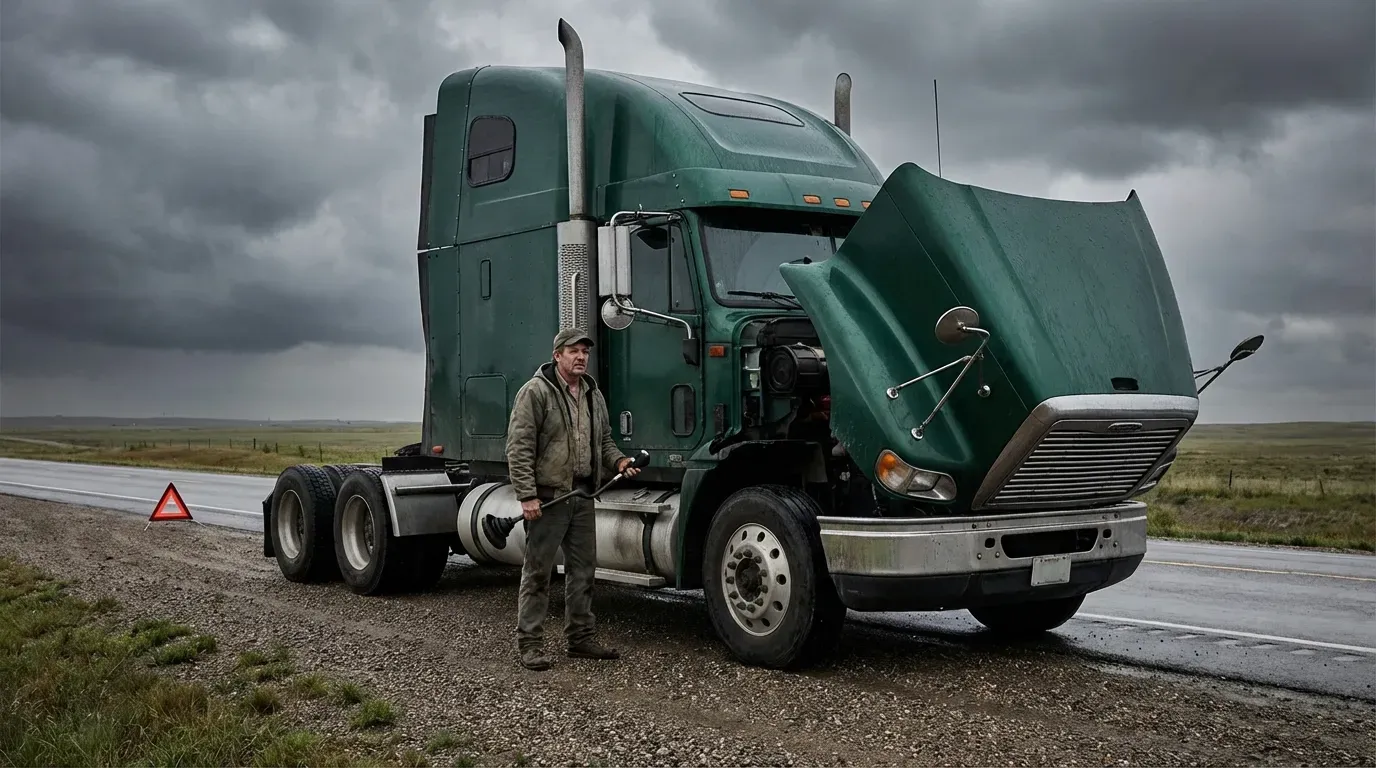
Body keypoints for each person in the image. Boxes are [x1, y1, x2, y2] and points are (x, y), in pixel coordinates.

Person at [504, 327, 642, 671]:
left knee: (583, 572)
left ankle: (580, 639)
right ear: (557, 355)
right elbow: (518, 449)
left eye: (585, 352)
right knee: (538, 572)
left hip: (583, 495)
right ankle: (530, 644)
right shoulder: (535, 393)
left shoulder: (593, 395)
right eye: (573, 351)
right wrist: (527, 495)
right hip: (550, 498)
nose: (581, 357)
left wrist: (620, 462)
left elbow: (604, 441)